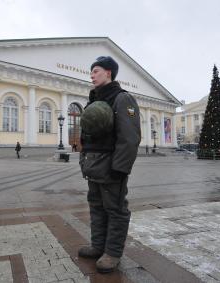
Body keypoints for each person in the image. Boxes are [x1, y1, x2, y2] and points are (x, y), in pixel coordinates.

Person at [78, 56, 141, 273]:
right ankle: (98, 246)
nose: (92, 75)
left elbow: (130, 138)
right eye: (92, 71)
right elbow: (86, 134)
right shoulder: (94, 100)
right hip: (93, 165)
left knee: (115, 210)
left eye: (96, 70)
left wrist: (120, 168)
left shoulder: (122, 99)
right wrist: (83, 159)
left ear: (108, 73)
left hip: (111, 167)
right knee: (96, 207)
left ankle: (112, 253)